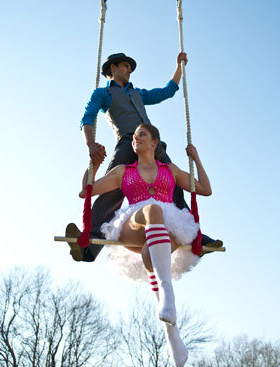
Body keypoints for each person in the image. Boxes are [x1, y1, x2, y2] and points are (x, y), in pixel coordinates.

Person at [79, 123, 211, 367]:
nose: (136, 139)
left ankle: (171, 331)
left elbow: (205, 189)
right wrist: (94, 165)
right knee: (152, 209)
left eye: (142, 135)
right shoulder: (122, 171)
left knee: (153, 250)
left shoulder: (170, 169)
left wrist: (196, 159)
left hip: (165, 224)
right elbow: (85, 191)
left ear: (154, 142)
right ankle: (168, 294)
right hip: (134, 221)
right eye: (134, 136)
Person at [72, 51, 221, 262]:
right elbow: (87, 117)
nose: (129, 70)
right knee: (111, 192)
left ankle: (197, 236)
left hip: (153, 145)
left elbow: (167, 92)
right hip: (127, 142)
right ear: (112, 68)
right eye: (125, 66)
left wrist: (179, 67)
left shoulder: (138, 94)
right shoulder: (103, 94)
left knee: (174, 186)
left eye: (130, 67)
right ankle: (89, 244)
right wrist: (90, 144)